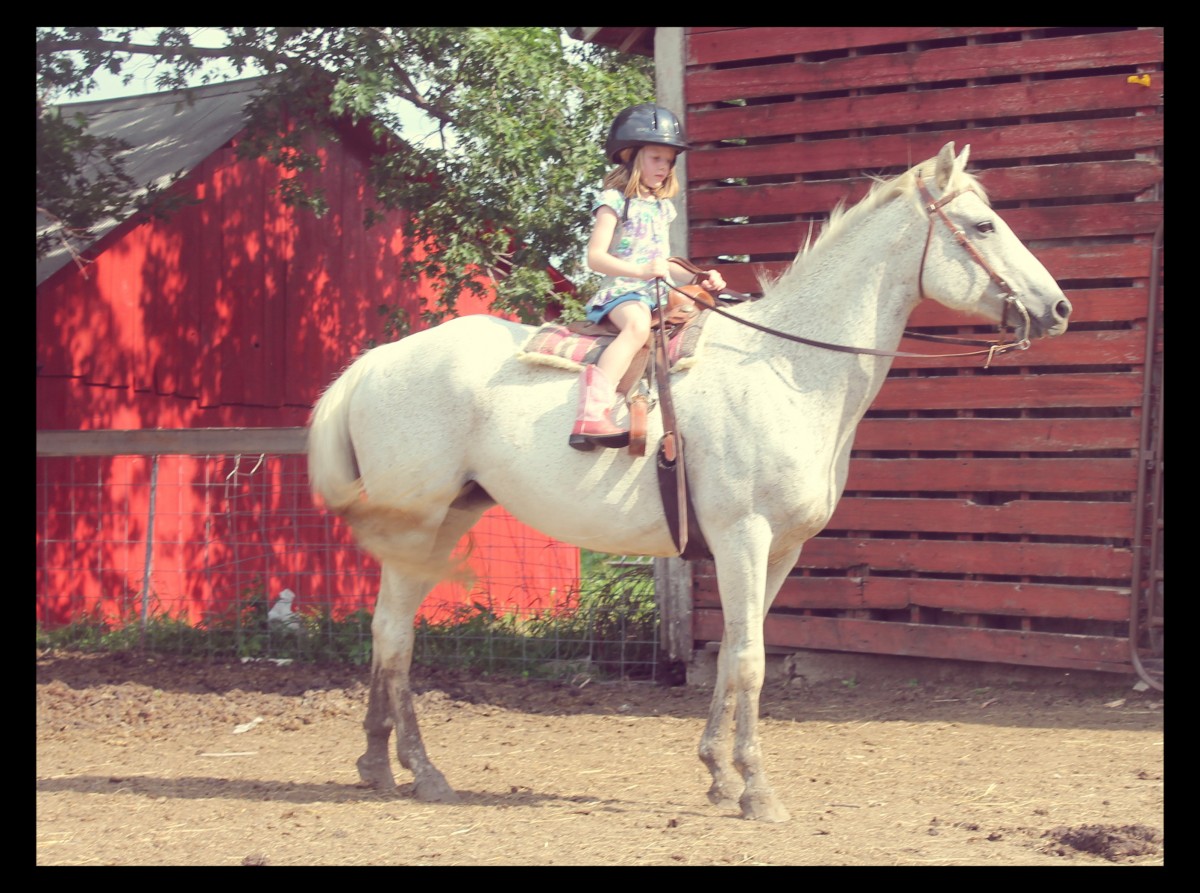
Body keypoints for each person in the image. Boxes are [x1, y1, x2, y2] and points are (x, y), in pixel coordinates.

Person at [569, 103, 726, 451]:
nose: (664, 167)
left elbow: (664, 264)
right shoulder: (614, 201)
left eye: (669, 160)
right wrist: (639, 271)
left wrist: (699, 276)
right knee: (637, 326)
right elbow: (595, 257)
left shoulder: (660, 206)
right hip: (621, 291)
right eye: (656, 158)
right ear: (631, 156)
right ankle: (592, 411)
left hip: (654, 291)